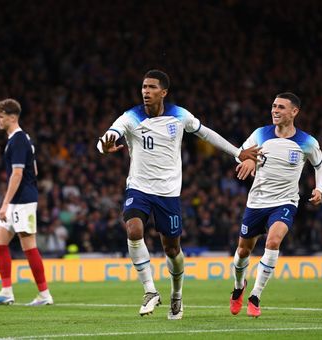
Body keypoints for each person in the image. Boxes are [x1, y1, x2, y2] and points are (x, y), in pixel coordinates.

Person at [97, 69, 259, 319]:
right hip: (139, 187)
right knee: (133, 230)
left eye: (151, 87)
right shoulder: (130, 117)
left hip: (168, 193)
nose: (146, 92)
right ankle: (150, 291)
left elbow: (206, 133)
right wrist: (103, 146)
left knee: (172, 249)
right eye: (143, 87)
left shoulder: (180, 115)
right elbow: (107, 137)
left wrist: (238, 153)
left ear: (164, 92)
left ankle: (176, 294)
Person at [229, 92, 322, 317]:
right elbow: (240, 154)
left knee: (273, 242)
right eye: (273, 106)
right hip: (257, 201)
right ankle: (238, 287)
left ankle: (255, 296)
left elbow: (320, 166)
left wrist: (319, 188)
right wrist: (249, 159)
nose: (275, 110)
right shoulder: (260, 134)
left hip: (285, 202)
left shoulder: (307, 142)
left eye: (281, 107)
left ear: (294, 112)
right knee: (243, 250)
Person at [0, 98, 53, 307]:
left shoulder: (19, 140)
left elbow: (17, 173)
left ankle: (44, 294)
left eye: (1, 116)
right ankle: (6, 292)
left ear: (12, 117)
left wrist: (5, 203)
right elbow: (35, 169)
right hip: (19, 200)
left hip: (22, 201)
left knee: (28, 245)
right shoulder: (20, 139)